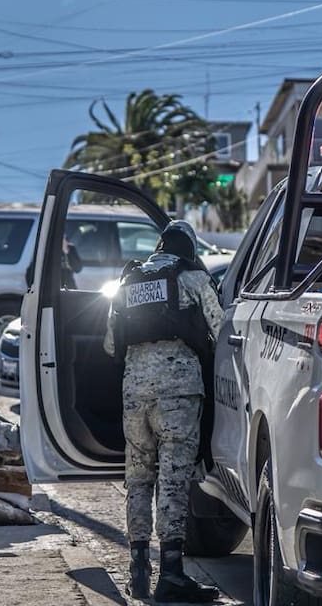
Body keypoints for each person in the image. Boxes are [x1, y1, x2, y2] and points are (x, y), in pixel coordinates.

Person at [103, 220, 223, 603]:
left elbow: (110, 344)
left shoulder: (129, 281)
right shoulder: (191, 278)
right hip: (179, 392)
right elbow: (221, 330)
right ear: (188, 248)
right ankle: (171, 575)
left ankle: (138, 571)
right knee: (172, 478)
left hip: (134, 391)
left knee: (138, 476)